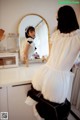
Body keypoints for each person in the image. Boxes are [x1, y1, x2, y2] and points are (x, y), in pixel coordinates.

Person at [25, 6, 80, 120]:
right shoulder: (78, 37)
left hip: (43, 73)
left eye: (58, 19)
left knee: (42, 107)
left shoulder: (56, 35)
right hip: (57, 81)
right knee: (53, 113)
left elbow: (53, 56)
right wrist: (73, 61)